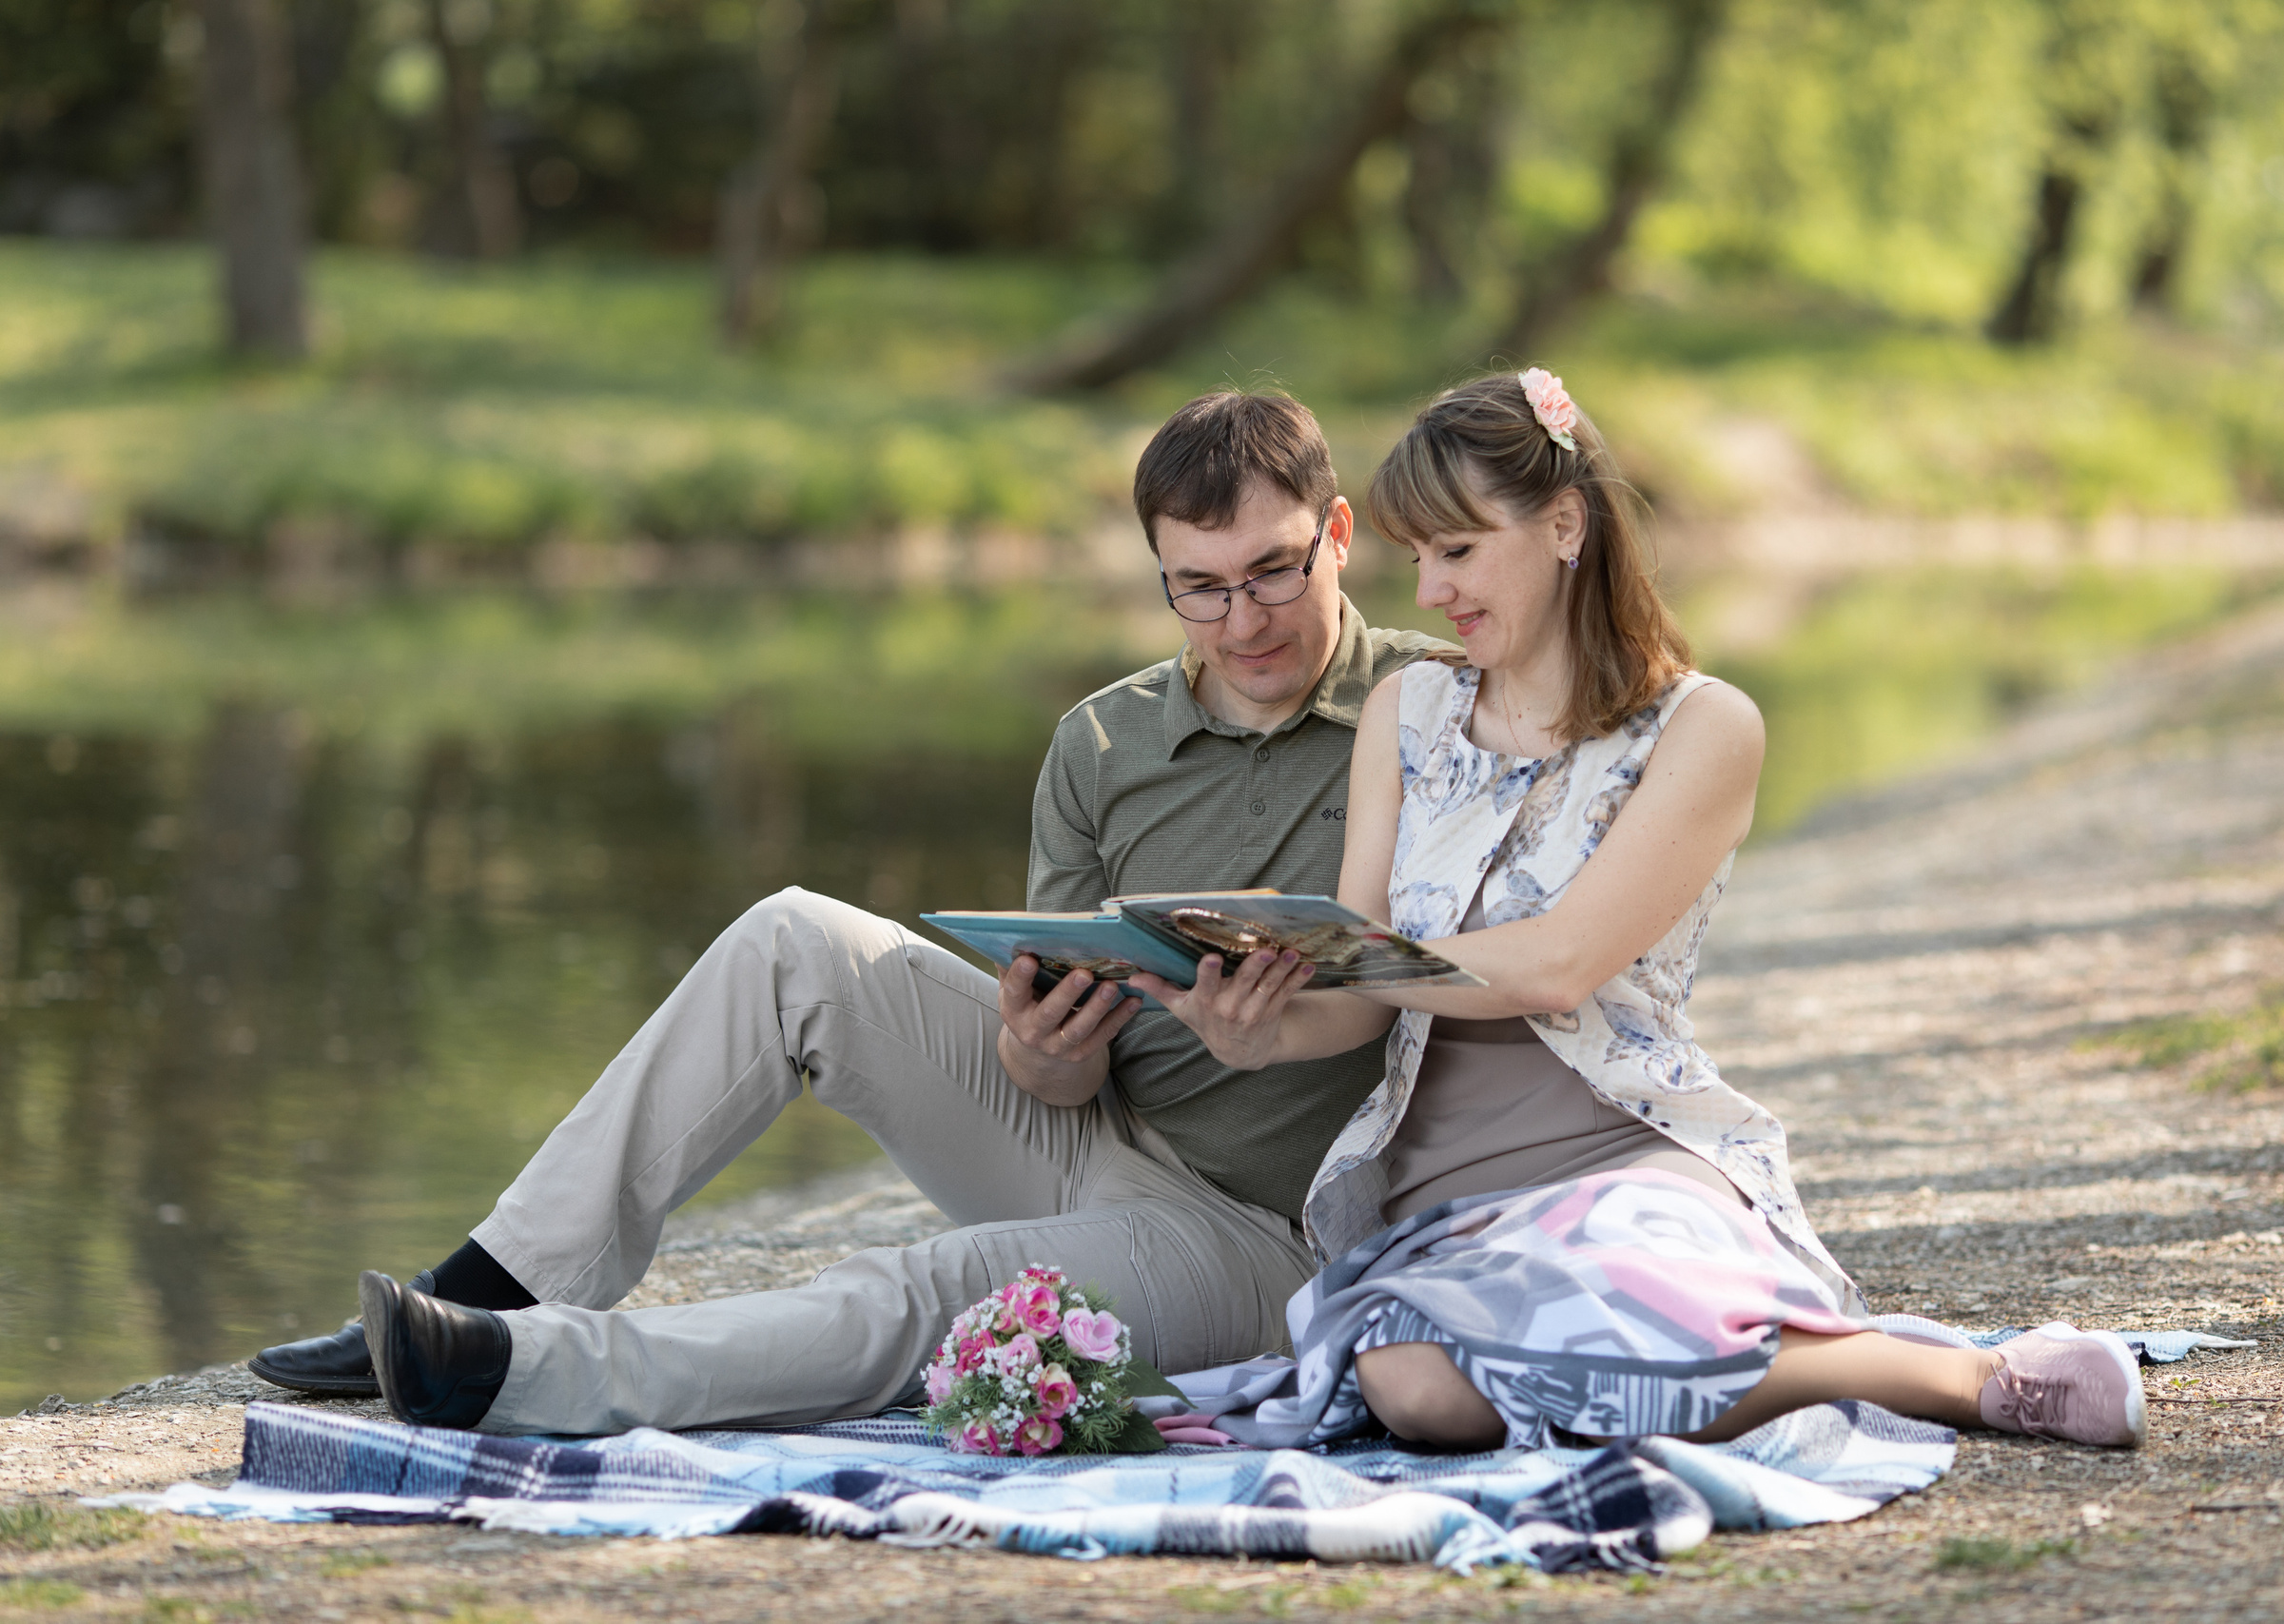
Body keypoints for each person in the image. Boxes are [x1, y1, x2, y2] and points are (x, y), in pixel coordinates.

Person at [247, 389, 1452, 1435]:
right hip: (1093, 1147)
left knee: (934, 1286)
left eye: (1273, 573)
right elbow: (1059, 1081)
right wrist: (1038, 1053)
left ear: (1337, 535)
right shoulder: (1104, 739)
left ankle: (519, 1376)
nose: (1241, 622)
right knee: (793, 938)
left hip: (1264, 1239)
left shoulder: (1435, 712)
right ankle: (500, 1285)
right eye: (1199, 588)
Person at [1136, 370, 2147, 1453]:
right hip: (1443, 1187)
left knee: (1624, 1295)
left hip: (1624, 1153)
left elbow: (1560, 965)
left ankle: (1959, 1378)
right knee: (1418, 1392)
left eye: (1458, 551)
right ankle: (1831, 1363)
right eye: (1419, 556)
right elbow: (1355, 1008)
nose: (1429, 592)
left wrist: (1346, 959)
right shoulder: (1408, 711)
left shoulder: (1704, 729)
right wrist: (1259, 1023)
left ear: (1564, 522)